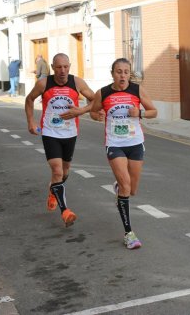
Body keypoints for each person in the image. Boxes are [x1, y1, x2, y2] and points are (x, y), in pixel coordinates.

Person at [90, 58, 158, 250]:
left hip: (135, 143)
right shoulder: (103, 93)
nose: (122, 75)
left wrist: (140, 113)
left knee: (132, 190)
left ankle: (119, 189)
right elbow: (93, 112)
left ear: (130, 74)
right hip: (114, 144)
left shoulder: (137, 90)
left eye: (126, 72)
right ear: (112, 73)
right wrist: (98, 116)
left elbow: (154, 111)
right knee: (126, 186)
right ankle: (129, 233)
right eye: (119, 71)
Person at [25, 53, 95, 227]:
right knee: (57, 171)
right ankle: (65, 211)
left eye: (65, 67)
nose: (62, 71)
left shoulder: (77, 83)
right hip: (50, 132)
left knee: (64, 172)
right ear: (53, 67)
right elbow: (29, 99)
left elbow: (95, 100)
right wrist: (31, 122)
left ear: (69, 66)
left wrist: (82, 110)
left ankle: (53, 190)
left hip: (70, 133)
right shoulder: (43, 83)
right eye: (58, 67)